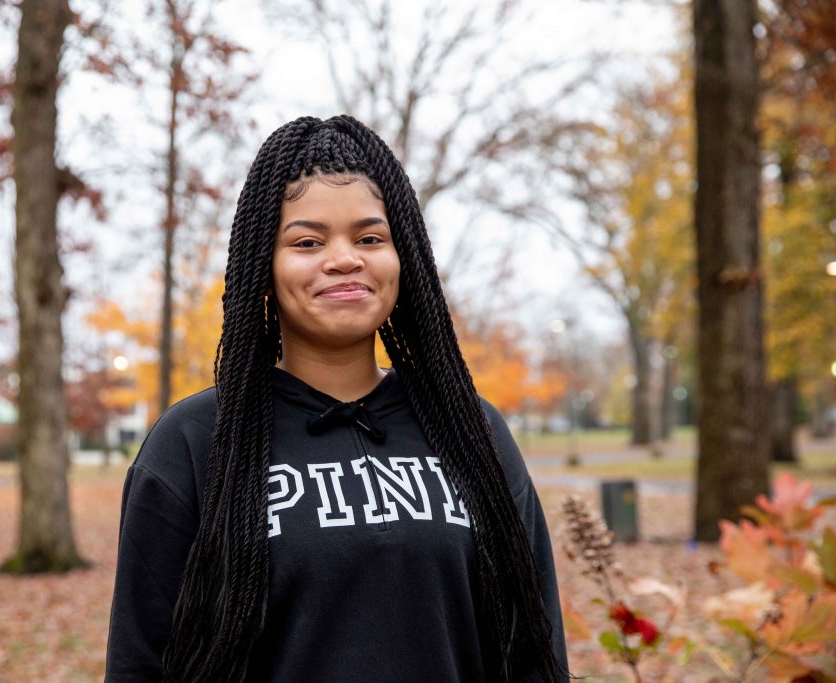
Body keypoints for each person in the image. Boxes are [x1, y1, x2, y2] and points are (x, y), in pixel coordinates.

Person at [104, 115, 569, 682]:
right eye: (308, 241)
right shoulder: (196, 441)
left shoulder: (472, 431)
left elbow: (532, 649)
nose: (345, 258)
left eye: (370, 238)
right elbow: (140, 663)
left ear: (406, 259)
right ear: (264, 266)